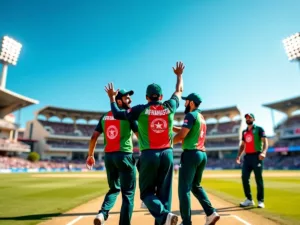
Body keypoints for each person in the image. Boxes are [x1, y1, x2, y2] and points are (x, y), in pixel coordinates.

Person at [104, 61, 185, 225]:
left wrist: (112, 98)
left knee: (146, 193)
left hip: (148, 155)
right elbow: (179, 90)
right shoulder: (169, 106)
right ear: (161, 97)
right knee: (164, 195)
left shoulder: (139, 109)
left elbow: (117, 114)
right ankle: (165, 216)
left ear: (147, 97)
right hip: (167, 154)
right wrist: (179, 75)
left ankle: (164, 216)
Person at [86, 89, 138, 225]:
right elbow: (140, 135)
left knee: (114, 189)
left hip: (109, 157)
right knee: (128, 195)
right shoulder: (128, 115)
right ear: (119, 101)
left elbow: (93, 137)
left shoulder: (104, 117)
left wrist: (90, 155)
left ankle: (102, 213)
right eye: (127, 98)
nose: (130, 100)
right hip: (125, 156)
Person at [173, 93, 220, 225]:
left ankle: (186, 222)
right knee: (195, 186)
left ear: (191, 103)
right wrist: (170, 127)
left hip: (191, 154)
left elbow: (182, 135)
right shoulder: (201, 117)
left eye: (186, 101)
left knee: (184, 189)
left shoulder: (190, 115)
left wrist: (168, 142)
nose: (184, 104)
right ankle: (211, 213)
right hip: (201, 154)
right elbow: (186, 131)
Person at [236, 113, 268, 208]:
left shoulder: (259, 129)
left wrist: (264, 152)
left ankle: (260, 201)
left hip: (257, 156)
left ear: (253, 119)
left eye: (249, 117)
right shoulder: (244, 132)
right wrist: (238, 156)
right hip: (247, 157)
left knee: (258, 179)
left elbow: (265, 141)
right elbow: (242, 145)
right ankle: (249, 199)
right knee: (244, 177)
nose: (248, 119)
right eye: (246, 117)